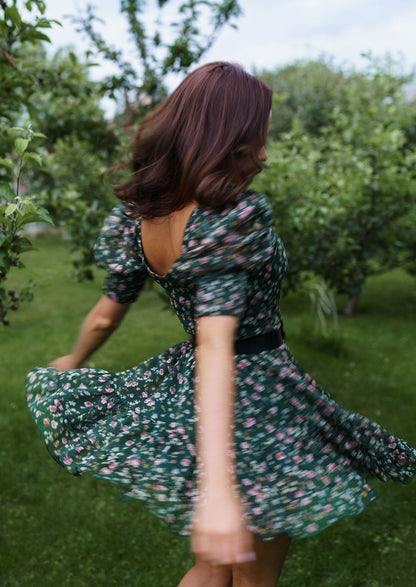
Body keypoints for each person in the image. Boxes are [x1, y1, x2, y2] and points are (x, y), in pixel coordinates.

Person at [26, 62, 416, 587]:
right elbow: (215, 343)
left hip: (197, 388)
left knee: (213, 567)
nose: (262, 153)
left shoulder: (141, 215)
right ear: (223, 138)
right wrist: (218, 487)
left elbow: (104, 314)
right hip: (254, 400)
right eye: (253, 139)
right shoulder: (230, 217)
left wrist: (72, 360)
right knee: (253, 578)